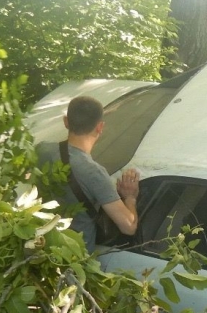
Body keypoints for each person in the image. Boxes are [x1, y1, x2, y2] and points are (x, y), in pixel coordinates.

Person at [36, 95, 139, 253]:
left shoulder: (41, 150)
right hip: (72, 260)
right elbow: (129, 227)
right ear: (100, 127)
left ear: (66, 122)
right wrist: (130, 198)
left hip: (38, 247)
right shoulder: (94, 172)